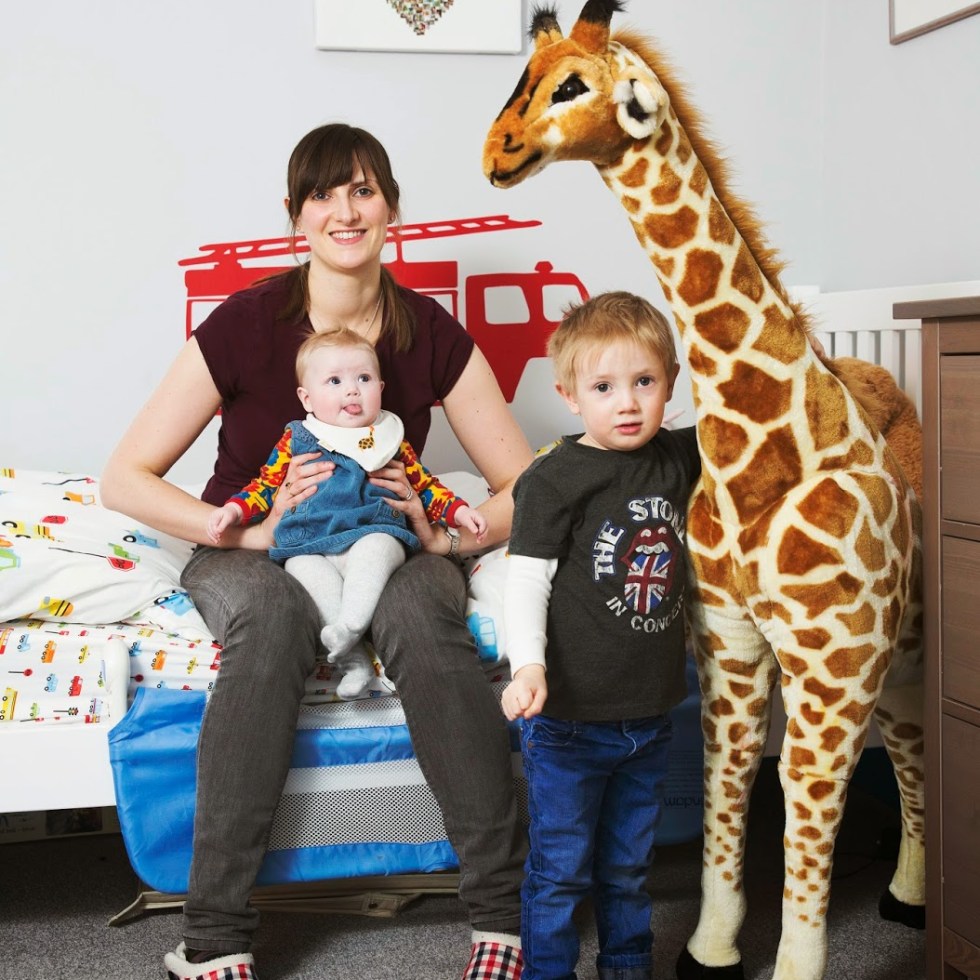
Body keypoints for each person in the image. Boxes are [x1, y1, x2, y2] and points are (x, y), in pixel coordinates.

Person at [101, 122, 532, 980]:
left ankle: (505, 916)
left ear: (392, 208)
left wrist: (448, 537)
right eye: (324, 194)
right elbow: (125, 477)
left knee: (423, 618)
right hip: (256, 551)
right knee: (268, 622)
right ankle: (215, 936)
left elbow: (525, 482)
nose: (346, 211)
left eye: (363, 190)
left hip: (387, 539)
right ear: (295, 214)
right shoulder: (246, 322)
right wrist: (245, 531)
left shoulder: (429, 331)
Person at [500, 292, 701, 980]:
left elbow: (743, 418)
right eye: (604, 387)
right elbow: (525, 580)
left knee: (629, 868)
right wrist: (527, 665)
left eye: (645, 382)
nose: (628, 403)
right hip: (568, 722)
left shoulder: (676, 457)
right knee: (560, 873)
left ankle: (627, 970)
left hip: (650, 716)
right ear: (569, 396)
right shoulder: (554, 478)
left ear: (670, 382)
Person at [208, 327, 488, 699]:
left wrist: (460, 512)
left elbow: (426, 486)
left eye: (364, 379)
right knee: (300, 568)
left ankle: (351, 624)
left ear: (381, 388)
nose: (352, 390)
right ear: (306, 398)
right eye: (335, 381)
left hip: (373, 531)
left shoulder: (389, 440)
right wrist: (233, 509)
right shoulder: (297, 439)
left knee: (378, 547)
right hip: (310, 542)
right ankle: (352, 661)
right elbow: (265, 484)